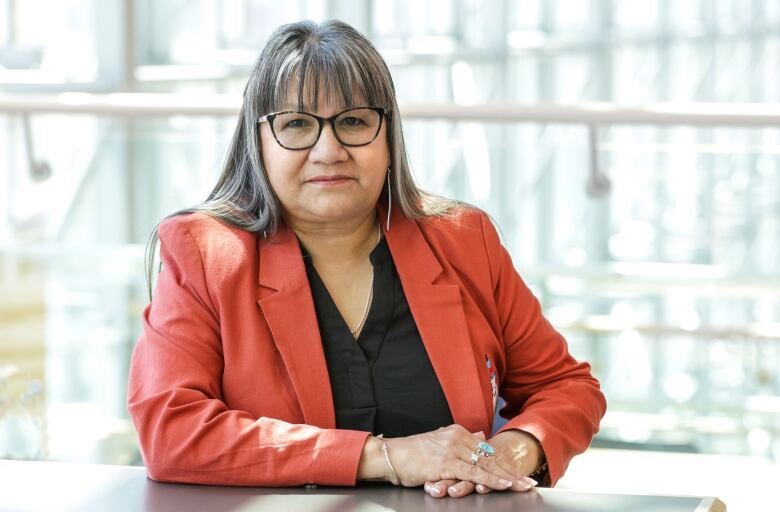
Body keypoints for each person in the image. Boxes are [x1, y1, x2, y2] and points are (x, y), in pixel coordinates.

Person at [127, 19, 606, 499]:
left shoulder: (462, 240)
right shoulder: (204, 254)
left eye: (354, 121)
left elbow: (566, 387)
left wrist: (512, 452)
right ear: (259, 143)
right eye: (297, 124)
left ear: (388, 138)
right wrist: (390, 457)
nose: (328, 150)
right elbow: (172, 432)